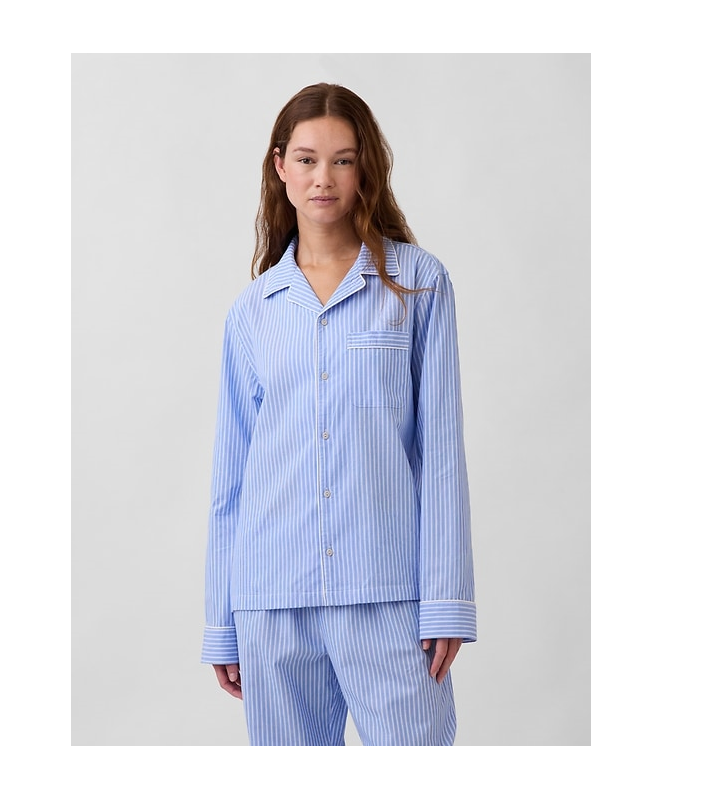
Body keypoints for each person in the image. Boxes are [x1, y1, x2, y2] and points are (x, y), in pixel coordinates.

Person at [200, 82, 476, 746]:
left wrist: (447, 600)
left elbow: (441, 452)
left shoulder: (418, 285)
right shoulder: (253, 312)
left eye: (343, 160)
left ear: (364, 168)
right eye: (306, 159)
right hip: (272, 598)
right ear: (280, 167)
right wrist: (221, 621)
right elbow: (231, 479)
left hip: (388, 593)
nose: (323, 177)